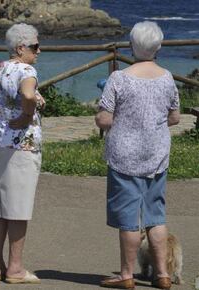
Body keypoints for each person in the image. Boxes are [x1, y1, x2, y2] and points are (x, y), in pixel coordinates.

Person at [96, 21, 180, 290]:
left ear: (132, 45)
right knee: (156, 216)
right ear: (158, 47)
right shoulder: (167, 78)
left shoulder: (119, 78)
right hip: (156, 155)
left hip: (124, 156)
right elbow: (175, 117)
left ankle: (126, 274)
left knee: (129, 220)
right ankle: (163, 274)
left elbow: (105, 119)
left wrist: (107, 120)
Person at [0, 23, 44, 284]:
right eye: (35, 46)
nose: (39, 51)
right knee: (18, 209)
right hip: (22, 145)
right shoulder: (26, 70)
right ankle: (15, 268)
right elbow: (28, 93)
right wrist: (27, 114)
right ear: (21, 48)